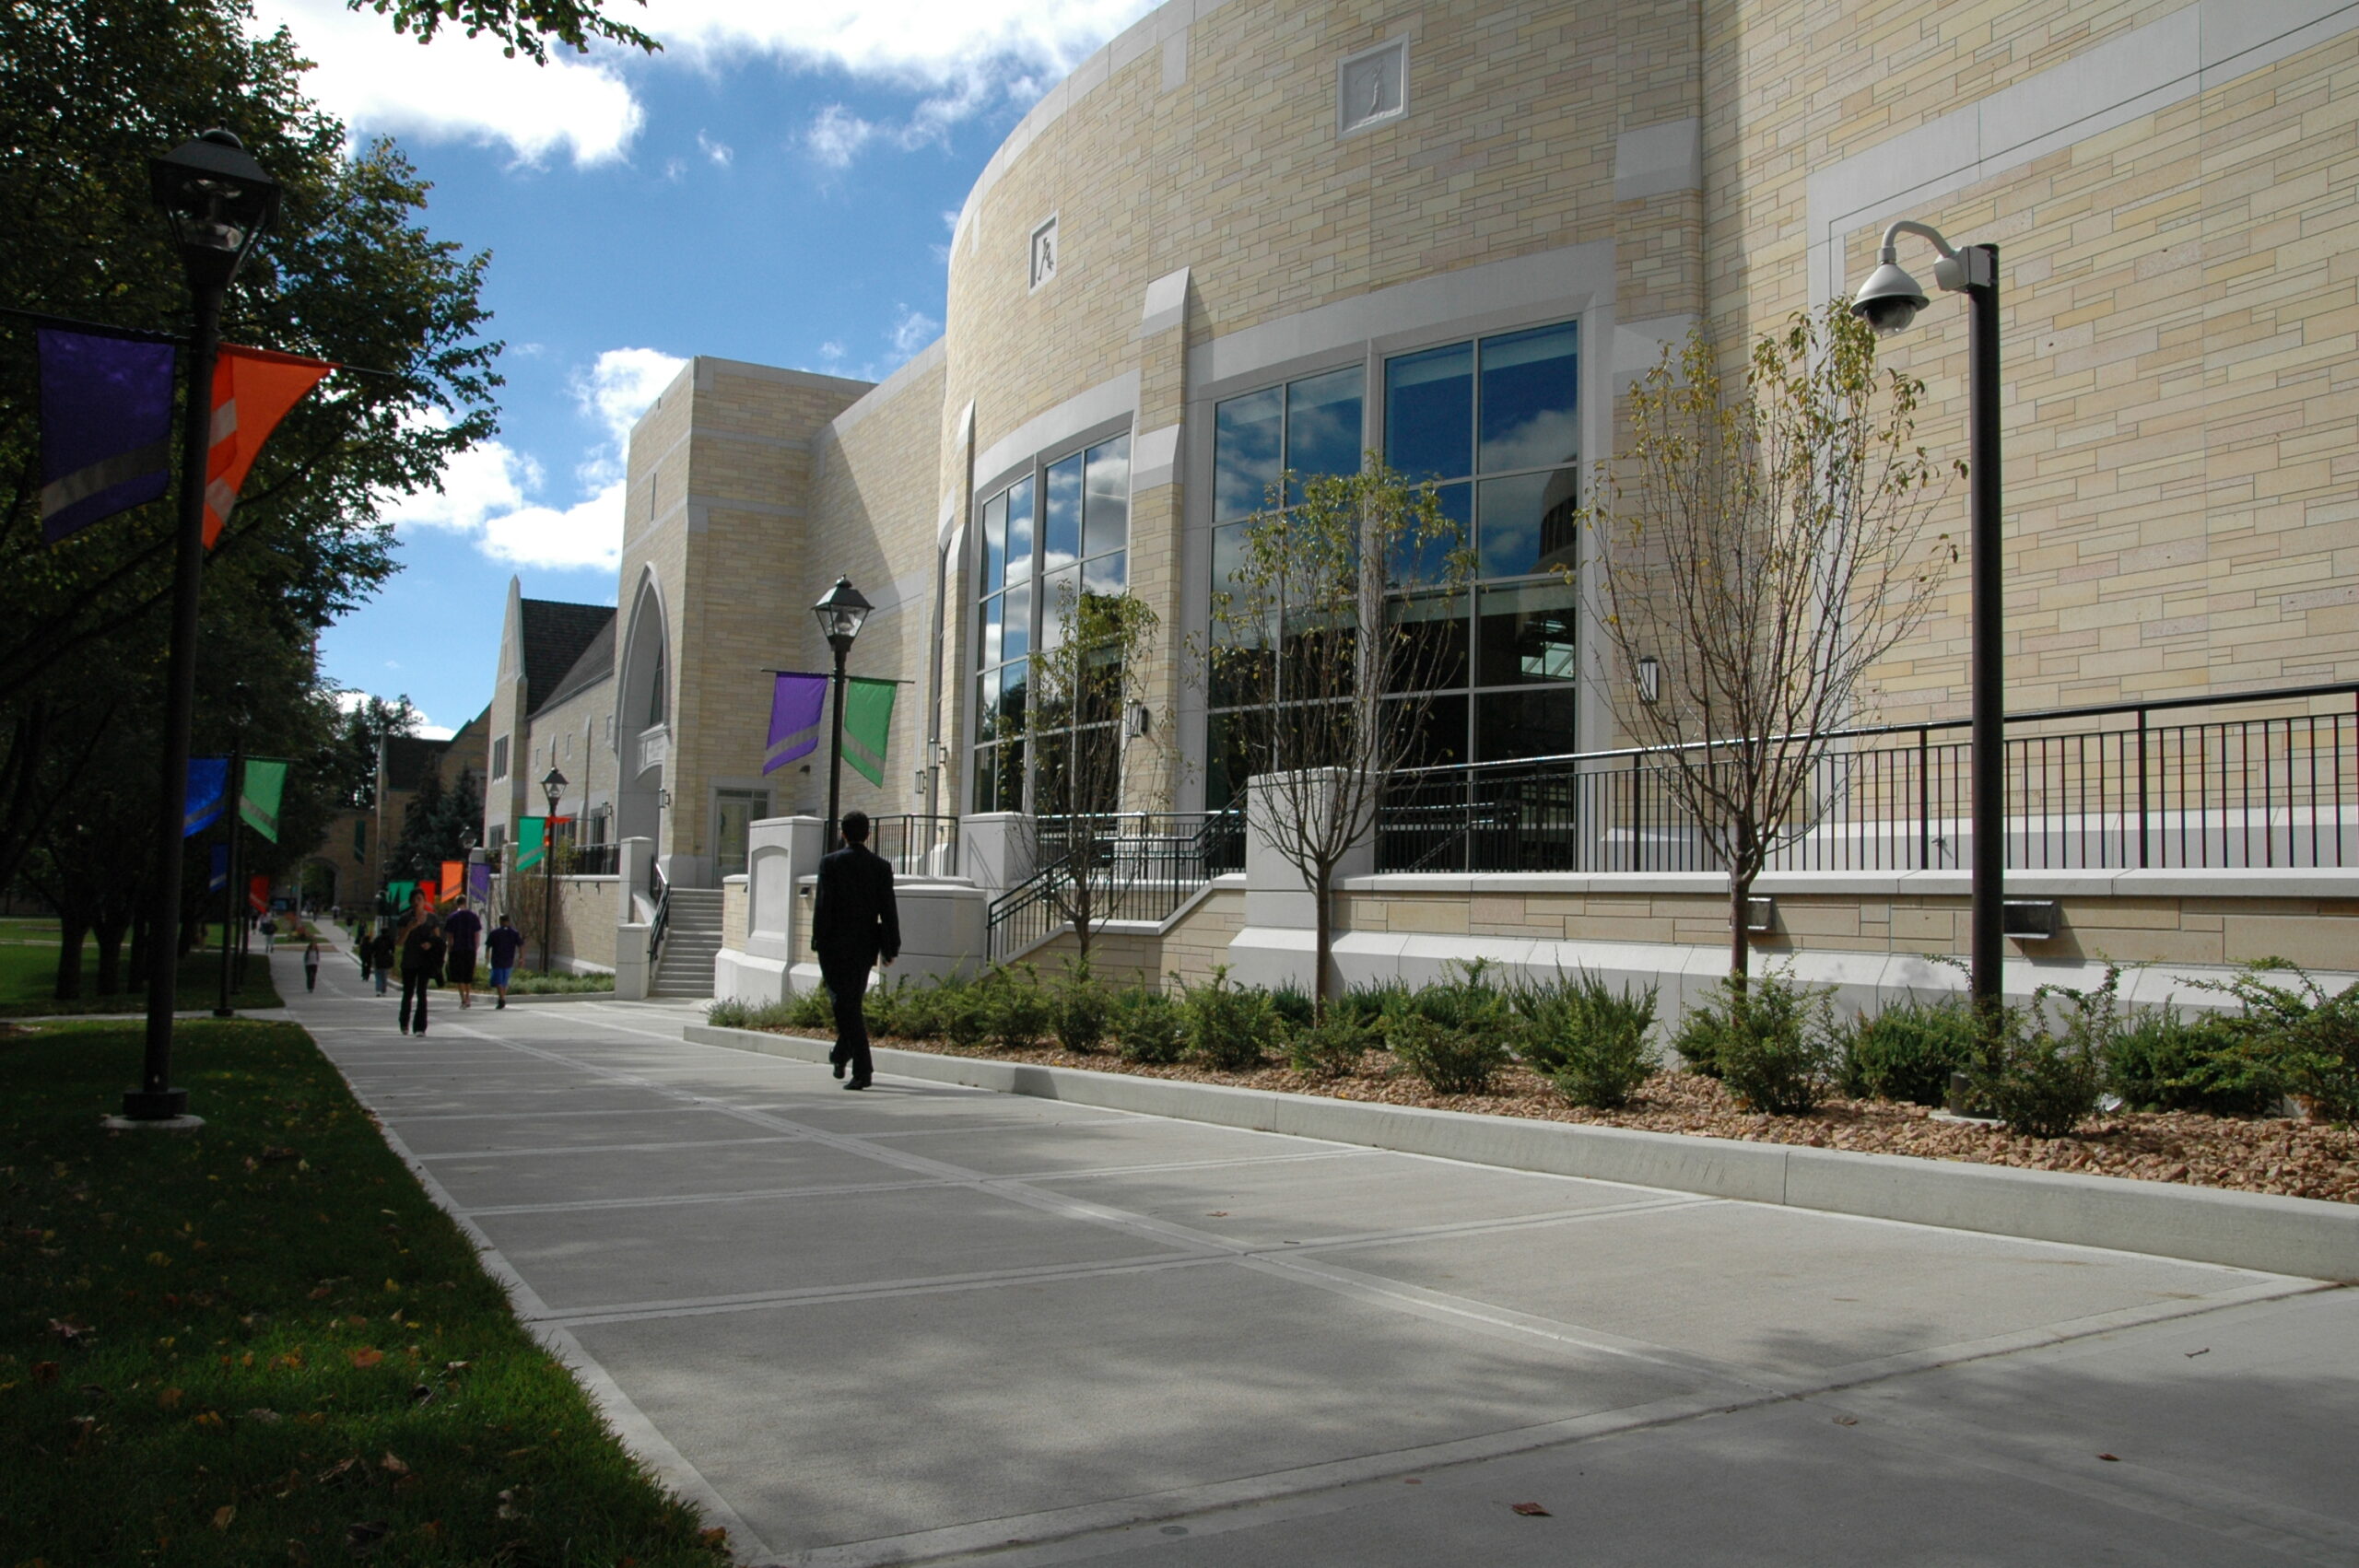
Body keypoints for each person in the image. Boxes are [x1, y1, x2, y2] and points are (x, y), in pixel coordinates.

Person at [810, 810, 900, 1090]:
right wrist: (891, 946)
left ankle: (863, 1069)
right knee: (850, 1005)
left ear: (843, 833)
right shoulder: (881, 867)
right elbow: (889, 910)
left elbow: (823, 906)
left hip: (835, 944)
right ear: (868, 834)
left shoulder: (830, 863)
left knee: (843, 1003)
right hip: (865, 945)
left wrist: (818, 940)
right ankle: (841, 1053)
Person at [398, 912, 447, 1036]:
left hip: (425, 961)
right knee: (408, 993)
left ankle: (420, 1027)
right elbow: (399, 941)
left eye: (419, 899)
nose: (416, 902)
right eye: (414, 899)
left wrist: (430, 944)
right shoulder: (405, 919)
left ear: (423, 901)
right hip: (409, 961)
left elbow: (438, 941)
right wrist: (410, 928)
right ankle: (404, 1023)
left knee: (421, 993)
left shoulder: (432, 919)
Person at [443, 895, 484, 1009]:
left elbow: (450, 936)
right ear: (465, 903)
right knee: (468, 974)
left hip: (457, 949)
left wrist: (449, 949)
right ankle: (468, 996)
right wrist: (476, 947)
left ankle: (463, 999)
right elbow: (477, 934)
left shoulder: (452, 917)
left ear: (456, 903)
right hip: (470, 949)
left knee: (459, 975)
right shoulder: (473, 916)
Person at [484, 912, 523, 1010]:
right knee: (504, 981)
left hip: (497, 960)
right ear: (508, 921)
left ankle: (502, 999)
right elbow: (520, 945)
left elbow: (488, 947)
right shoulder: (514, 933)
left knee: (498, 981)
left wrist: (487, 957)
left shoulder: (494, 933)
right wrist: (521, 957)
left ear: (500, 921)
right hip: (509, 960)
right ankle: (502, 998)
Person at [370, 924, 397, 997]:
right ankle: (384, 991)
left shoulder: (377, 939)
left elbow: (372, 949)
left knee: (378, 975)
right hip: (386, 959)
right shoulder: (390, 940)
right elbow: (393, 949)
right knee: (384, 976)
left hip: (378, 959)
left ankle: (378, 990)